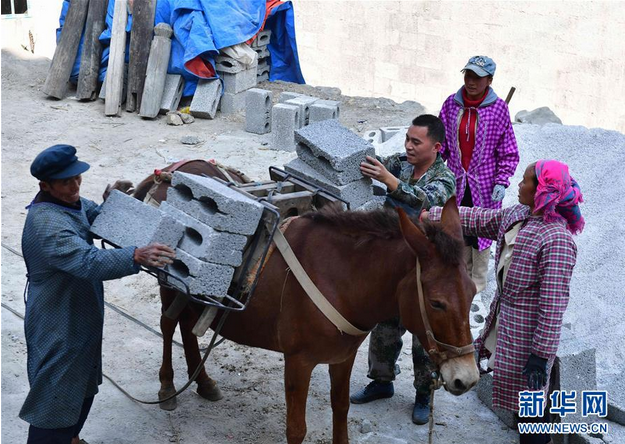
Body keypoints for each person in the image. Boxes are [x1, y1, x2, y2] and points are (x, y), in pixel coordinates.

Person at [19, 144, 176, 444]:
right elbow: (87, 262)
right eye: (65, 182)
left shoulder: (71, 204)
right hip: (57, 319)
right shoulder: (47, 223)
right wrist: (136, 256)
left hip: (81, 312)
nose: (75, 186)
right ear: (45, 186)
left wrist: (113, 203)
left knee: (82, 382)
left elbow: (100, 219)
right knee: (54, 396)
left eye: (77, 178)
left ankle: (72, 438)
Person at [425, 160, 583, 444]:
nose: (519, 185)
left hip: (528, 340)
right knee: (522, 407)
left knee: (533, 409)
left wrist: (540, 356)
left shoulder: (557, 239)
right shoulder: (520, 215)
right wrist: (431, 216)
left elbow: (553, 307)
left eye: (525, 181)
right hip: (504, 326)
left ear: (541, 189)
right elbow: (479, 219)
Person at [353, 114, 456, 424]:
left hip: (424, 267)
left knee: (424, 333)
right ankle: (381, 381)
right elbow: (370, 163)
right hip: (391, 262)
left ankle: (424, 394)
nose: (408, 146)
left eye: (416, 142)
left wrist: (390, 182)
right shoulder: (399, 163)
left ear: (435, 146)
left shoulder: (444, 178)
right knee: (385, 324)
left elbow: (424, 203)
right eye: (407, 140)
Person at [438, 55, 519, 293]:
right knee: (457, 226)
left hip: (484, 184)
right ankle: (459, 276)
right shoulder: (451, 105)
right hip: (456, 180)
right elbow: (440, 142)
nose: (471, 81)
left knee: (481, 232)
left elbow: (508, 150)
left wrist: (502, 180)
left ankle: (478, 282)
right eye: (468, 75)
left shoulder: (498, 109)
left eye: (478, 78)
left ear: (490, 81)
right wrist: (432, 167)